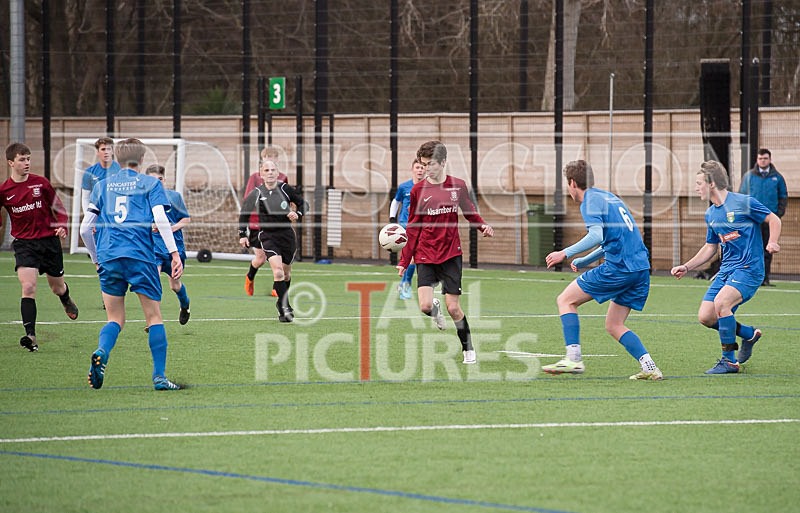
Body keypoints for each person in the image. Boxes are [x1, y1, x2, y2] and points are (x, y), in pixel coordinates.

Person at [543, 160, 663, 380]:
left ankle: (573, 358)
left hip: (620, 269)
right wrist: (585, 259)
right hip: (640, 269)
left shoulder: (589, 202)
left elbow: (596, 235)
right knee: (614, 324)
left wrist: (565, 253)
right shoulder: (608, 197)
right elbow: (611, 241)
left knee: (565, 300)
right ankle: (650, 367)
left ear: (572, 183)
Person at [80, 138, 184, 390]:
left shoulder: (102, 185)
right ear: (142, 158)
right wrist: (174, 253)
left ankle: (102, 351)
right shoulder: (150, 183)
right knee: (154, 316)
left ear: (117, 158)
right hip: (140, 256)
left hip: (109, 256)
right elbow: (160, 219)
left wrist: (96, 259)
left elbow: (85, 229)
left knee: (115, 317)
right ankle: (159, 377)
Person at [671, 160, 781, 374]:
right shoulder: (711, 214)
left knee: (722, 304)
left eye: (699, 182)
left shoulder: (743, 202)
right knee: (706, 317)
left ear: (711, 183)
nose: (696, 187)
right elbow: (711, 247)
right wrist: (687, 266)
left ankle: (729, 361)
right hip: (726, 271)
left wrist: (773, 241)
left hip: (749, 269)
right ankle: (748, 334)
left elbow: (773, 219)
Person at [397, 140, 494, 365]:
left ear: (442, 163)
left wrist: (482, 226)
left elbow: (470, 212)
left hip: (451, 253)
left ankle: (467, 348)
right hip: (425, 254)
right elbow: (413, 227)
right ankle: (435, 311)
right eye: (422, 164)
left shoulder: (457, 186)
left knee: (454, 307)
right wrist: (404, 260)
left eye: (430, 164)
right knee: (425, 306)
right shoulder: (417, 190)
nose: (425, 169)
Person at [1, 142, 79, 352]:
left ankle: (65, 298)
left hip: (49, 243)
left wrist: (62, 226)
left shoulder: (41, 184)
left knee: (57, 287)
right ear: (11, 163)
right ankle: (31, 336)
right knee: (28, 287)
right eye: (22, 159)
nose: (27, 163)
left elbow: (59, 209)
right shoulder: (4, 190)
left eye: (28, 159)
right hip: (24, 245)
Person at [238, 157, 305, 322]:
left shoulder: (285, 189)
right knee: (278, 272)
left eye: (272, 170)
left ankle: (280, 301)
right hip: (268, 236)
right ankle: (284, 307)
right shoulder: (257, 192)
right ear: (261, 173)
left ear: (278, 173)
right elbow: (244, 213)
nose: (270, 173)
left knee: (287, 274)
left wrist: (297, 214)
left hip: (287, 236)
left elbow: (303, 204)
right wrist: (242, 234)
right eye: (266, 170)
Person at [146, 165, 191, 326]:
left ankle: (185, 305)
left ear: (164, 180)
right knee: (153, 281)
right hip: (154, 248)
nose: (156, 183)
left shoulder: (174, 197)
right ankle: (153, 320)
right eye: (152, 180)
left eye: (159, 179)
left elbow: (186, 220)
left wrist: (170, 228)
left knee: (175, 285)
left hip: (174, 248)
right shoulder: (144, 199)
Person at [243, 146, 290, 297]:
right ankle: (250, 276)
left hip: (277, 226)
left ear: (277, 160)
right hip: (258, 223)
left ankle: (277, 288)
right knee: (261, 258)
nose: (270, 161)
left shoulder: (282, 177)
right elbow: (248, 200)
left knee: (279, 259)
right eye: (266, 158)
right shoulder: (255, 177)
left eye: (273, 158)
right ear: (262, 161)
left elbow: (286, 198)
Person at [738, 148, 788, 286]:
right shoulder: (749, 176)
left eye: (765, 158)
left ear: (770, 159)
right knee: (752, 248)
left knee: (768, 248)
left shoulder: (777, 178)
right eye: (760, 158)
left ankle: (764, 278)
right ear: (757, 160)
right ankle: (750, 278)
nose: (762, 161)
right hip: (753, 220)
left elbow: (783, 197)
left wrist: (778, 214)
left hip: (769, 220)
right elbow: (741, 196)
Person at [389, 158, 426, 299]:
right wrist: (392, 219)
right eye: (417, 167)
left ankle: (404, 284)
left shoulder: (428, 187)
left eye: (422, 168)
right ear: (413, 170)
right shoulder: (404, 187)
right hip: (405, 224)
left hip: (421, 225)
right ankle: (406, 285)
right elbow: (396, 201)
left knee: (415, 257)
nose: (420, 170)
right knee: (412, 257)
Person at [81, 137, 121, 213]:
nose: (106, 152)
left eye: (109, 149)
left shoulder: (120, 169)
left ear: (112, 152)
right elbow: (85, 198)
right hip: (98, 213)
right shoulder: (89, 172)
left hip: (116, 212)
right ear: (97, 152)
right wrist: (88, 216)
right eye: (103, 149)